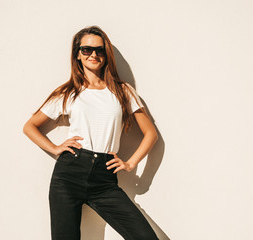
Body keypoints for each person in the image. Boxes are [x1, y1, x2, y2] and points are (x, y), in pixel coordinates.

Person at [23, 25, 159, 240]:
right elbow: (30, 126)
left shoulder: (122, 91)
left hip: (104, 178)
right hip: (69, 175)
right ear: (78, 54)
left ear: (106, 55)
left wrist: (130, 164)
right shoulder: (67, 93)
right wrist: (56, 148)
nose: (93, 54)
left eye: (100, 50)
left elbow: (151, 133)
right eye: (86, 49)